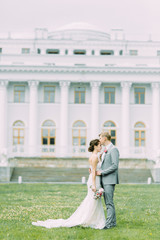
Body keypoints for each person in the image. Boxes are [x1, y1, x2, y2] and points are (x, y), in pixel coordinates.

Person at [32, 139, 106, 229]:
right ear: (95, 146)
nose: (101, 147)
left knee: (93, 200)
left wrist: (102, 155)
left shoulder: (95, 156)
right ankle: (88, 219)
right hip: (94, 180)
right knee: (93, 200)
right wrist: (94, 185)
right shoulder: (94, 157)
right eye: (99, 146)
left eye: (101, 146)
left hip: (94, 179)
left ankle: (93, 219)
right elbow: (93, 171)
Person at [97, 132, 119, 229]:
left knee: (109, 203)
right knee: (108, 202)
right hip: (105, 180)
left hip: (109, 180)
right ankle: (113, 223)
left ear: (105, 138)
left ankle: (109, 224)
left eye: (100, 138)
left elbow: (115, 166)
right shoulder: (105, 150)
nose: (100, 140)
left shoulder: (114, 149)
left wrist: (102, 172)